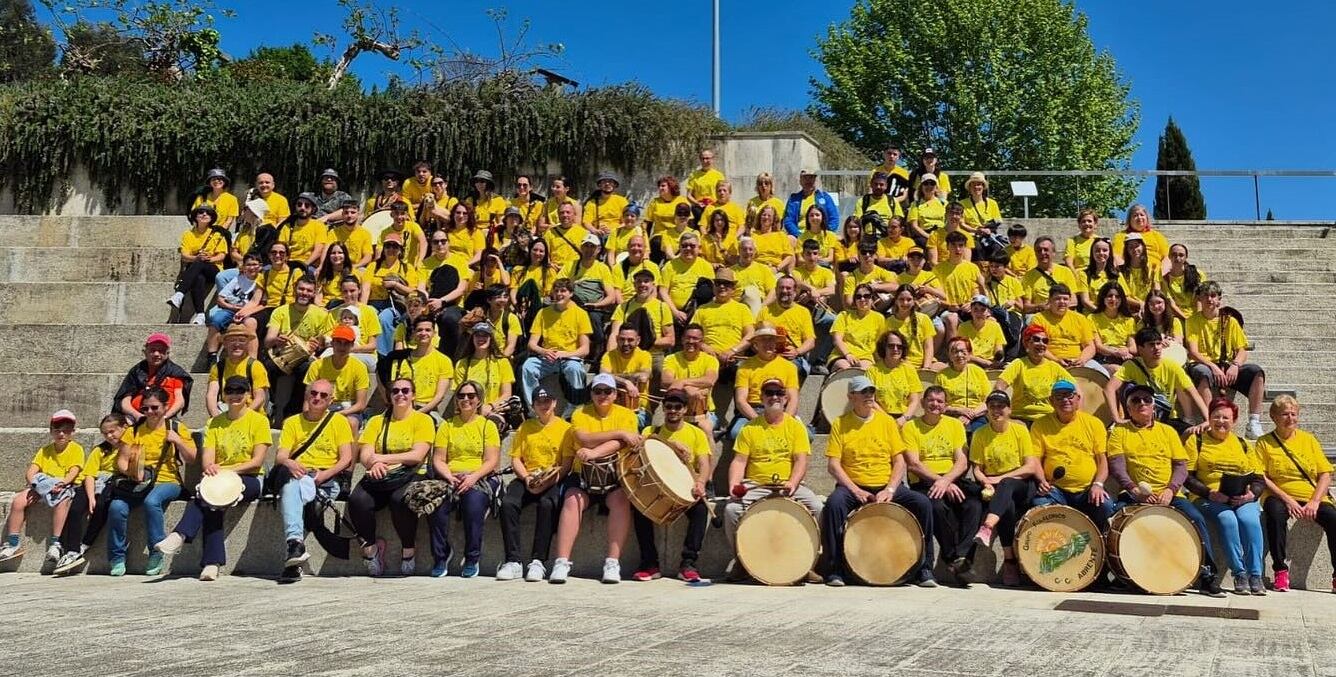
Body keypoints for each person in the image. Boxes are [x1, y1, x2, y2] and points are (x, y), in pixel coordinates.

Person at [821, 375, 937, 587]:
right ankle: (834, 569)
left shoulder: (886, 423)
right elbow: (834, 465)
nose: (868, 396)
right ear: (851, 396)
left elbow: (900, 462)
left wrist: (891, 489)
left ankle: (924, 569)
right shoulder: (840, 424)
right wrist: (856, 491)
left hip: (886, 484)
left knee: (923, 504)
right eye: (863, 392)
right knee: (833, 505)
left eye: (871, 392)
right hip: (853, 486)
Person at [1108, 383, 1221, 595]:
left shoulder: (1168, 431)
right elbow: (1117, 466)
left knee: (1196, 517)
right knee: (1110, 516)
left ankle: (1207, 574)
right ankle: (1115, 572)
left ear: (1153, 407)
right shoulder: (1119, 432)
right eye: (1136, 400)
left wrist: (1170, 490)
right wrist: (1134, 489)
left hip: (1171, 494)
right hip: (1134, 494)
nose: (1142, 403)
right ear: (1128, 408)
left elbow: (1180, 467)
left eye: (1147, 400)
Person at [153, 376, 268, 581]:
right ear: (224, 395)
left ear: (248, 394)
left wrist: (227, 470)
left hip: (250, 478)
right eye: (230, 390)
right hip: (220, 478)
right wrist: (214, 469)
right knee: (212, 500)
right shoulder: (214, 423)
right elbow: (207, 462)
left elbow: (256, 462)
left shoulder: (259, 421)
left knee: (213, 498)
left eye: (240, 391)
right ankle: (210, 562)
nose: (235, 395)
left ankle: (181, 536)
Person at [722, 378, 825, 580]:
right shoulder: (750, 429)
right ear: (761, 398)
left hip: (788, 483)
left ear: (786, 398)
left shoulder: (795, 427)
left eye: (778, 393)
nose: (774, 397)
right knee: (731, 510)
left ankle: (808, 563)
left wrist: (793, 483)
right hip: (756, 484)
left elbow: (801, 461)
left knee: (818, 507)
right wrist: (734, 485)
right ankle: (742, 562)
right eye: (769, 393)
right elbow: (739, 461)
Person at [550, 373, 640, 584]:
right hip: (583, 474)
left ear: (615, 394)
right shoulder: (580, 413)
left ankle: (612, 562)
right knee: (572, 499)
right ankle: (562, 562)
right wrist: (618, 433)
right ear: (591, 394)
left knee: (621, 501)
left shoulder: (628, 415)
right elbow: (584, 439)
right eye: (597, 391)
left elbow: (624, 444)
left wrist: (594, 453)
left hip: (615, 474)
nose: (602, 395)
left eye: (607, 391)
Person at [273, 378, 356, 583]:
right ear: (306, 395)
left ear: (331, 400)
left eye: (323, 395)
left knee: (292, 493)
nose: (317, 398)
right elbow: (281, 457)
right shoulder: (292, 422)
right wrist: (291, 464)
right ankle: (295, 545)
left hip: (326, 478)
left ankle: (294, 552)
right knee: (292, 486)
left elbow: (346, 459)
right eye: (313, 393)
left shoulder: (339, 422)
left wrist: (323, 476)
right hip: (298, 474)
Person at [106, 387, 196, 576]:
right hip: (138, 481)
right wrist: (131, 472)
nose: (149, 412)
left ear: (166, 407)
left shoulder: (176, 428)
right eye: (145, 408)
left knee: (152, 501)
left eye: (154, 408)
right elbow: (121, 461)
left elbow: (192, 458)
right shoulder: (135, 430)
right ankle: (116, 557)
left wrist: (178, 441)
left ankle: (156, 551)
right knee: (116, 507)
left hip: (168, 480)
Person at [350, 378, 433, 577]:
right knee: (357, 500)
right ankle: (370, 550)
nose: (400, 395)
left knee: (400, 500)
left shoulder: (423, 420)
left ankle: (408, 549)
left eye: (405, 390)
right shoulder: (376, 421)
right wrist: (375, 463)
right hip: (380, 475)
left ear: (413, 395)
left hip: (410, 474)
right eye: (395, 391)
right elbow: (365, 453)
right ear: (389, 396)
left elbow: (416, 456)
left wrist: (382, 458)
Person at [1184, 398, 1265, 596]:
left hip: (1241, 497)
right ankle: (1240, 573)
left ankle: (1256, 575)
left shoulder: (1243, 444)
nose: (1221, 421)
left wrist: (1251, 494)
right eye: (1216, 416)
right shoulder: (1197, 440)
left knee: (1250, 520)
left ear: (1235, 421)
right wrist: (1209, 493)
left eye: (1226, 417)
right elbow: (1187, 476)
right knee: (1227, 519)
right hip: (1209, 497)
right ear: (1209, 418)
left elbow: (1259, 478)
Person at [1256, 395, 1336, 594]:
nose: (1290, 418)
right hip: (1278, 493)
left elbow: (1325, 474)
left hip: (1311, 495)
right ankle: (1280, 570)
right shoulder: (1264, 443)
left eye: (1294, 414)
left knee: (1333, 518)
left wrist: (1315, 501)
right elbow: (1262, 477)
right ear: (1274, 417)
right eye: (1284, 414)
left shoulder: (1308, 440)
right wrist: (1288, 500)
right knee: (1275, 514)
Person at [631, 389, 713, 582]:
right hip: (656, 486)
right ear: (663, 408)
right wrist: (673, 445)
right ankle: (649, 564)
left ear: (685, 409)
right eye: (669, 406)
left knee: (701, 509)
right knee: (637, 507)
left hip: (686, 486)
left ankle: (688, 564)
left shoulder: (697, 433)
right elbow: (642, 449)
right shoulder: (650, 431)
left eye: (678, 406)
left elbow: (704, 464)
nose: (673, 410)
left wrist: (700, 482)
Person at [902, 386, 980, 583]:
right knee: (935, 506)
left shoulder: (955, 425)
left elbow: (962, 461)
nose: (935, 404)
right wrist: (939, 481)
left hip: (951, 479)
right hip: (925, 481)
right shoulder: (911, 427)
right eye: (931, 400)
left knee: (974, 505)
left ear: (945, 406)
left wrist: (946, 481)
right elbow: (913, 464)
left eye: (939, 401)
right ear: (922, 403)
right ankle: (953, 558)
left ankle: (960, 556)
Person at [427, 380, 501, 578]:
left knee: (473, 504)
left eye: (471, 396)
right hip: (450, 477)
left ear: (479, 400)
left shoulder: (487, 426)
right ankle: (440, 557)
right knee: (435, 505)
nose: (466, 399)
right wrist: (450, 477)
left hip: (480, 477)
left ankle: (472, 557)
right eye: (461, 396)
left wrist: (472, 478)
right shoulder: (447, 426)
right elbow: (439, 459)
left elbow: (492, 460)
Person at [497, 386, 569, 582]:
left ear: (554, 403)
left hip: (552, 478)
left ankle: (538, 561)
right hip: (527, 477)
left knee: (548, 504)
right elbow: (516, 459)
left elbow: (566, 464)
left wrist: (547, 482)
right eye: (539, 402)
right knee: (508, 504)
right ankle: (513, 561)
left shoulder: (565, 428)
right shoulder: (526, 427)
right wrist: (527, 479)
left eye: (547, 401)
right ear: (533, 405)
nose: (544, 405)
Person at [970, 390, 1041, 586]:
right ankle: (1010, 562)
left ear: (1009, 409)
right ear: (987, 411)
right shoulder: (980, 434)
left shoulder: (1020, 431)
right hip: (995, 486)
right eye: (992, 406)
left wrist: (998, 479)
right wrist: (985, 482)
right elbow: (977, 469)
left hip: (1022, 484)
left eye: (1001, 406)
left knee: (1007, 485)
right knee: (1006, 504)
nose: (996, 410)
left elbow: (1029, 467)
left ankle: (987, 526)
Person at [0, 410, 83, 566]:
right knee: (18, 501)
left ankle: (55, 543)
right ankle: (13, 543)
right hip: (43, 485)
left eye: (66, 430)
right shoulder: (45, 450)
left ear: (73, 432)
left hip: (63, 485)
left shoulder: (76, 449)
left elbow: (74, 470)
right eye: (57, 430)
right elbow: (31, 471)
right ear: (51, 431)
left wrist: (63, 483)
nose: (61, 434)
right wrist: (35, 485)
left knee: (62, 502)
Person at [1029, 380, 1115, 532]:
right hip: (1056, 490)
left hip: (1088, 490)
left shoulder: (1094, 423)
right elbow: (1035, 459)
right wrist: (1041, 481)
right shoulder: (1040, 425)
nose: (1065, 400)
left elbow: (1102, 460)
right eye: (1059, 396)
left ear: (1078, 399)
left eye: (1069, 395)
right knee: (1040, 504)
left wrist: (1098, 484)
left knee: (1106, 505)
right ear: (1051, 401)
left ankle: (1102, 545)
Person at [1185, 281, 1266, 439]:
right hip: (1204, 364)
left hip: (1228, 365)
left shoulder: (1230, 321)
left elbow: (1242, 350)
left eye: (1213, 296)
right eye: (1205, 296)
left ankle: (1254, 422)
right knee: (1203, 373)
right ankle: (1209, 419)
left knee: (1256, 372)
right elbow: (1193, 352)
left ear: (1219, 299)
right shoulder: (1192, 321)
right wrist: (1213, 366)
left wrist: (1235, 365)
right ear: (1199, 299)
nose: (1209, 299)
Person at [51, 414, 128, 575]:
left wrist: (96, 500)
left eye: (112, 432)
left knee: (101, 506)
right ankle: (71, 550)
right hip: (94, 482)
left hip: (114, 482)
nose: (109, 436)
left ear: (124, 428)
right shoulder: (100, 450)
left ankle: (84, 545)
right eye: (105, 433)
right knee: (75, 509)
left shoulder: (129, 447)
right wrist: (91, 496)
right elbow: (89, 475)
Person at [1106, 327, 1209, 433]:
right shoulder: (1131, 366)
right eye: (1151, 345)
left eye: (1159, 343)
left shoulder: (1172, 366)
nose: (1157, 348)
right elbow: (1109, 389)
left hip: (1167, 420)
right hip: (1141, 421)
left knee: (1192, 434)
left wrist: (1207, 419)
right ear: (1140, 349)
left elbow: (1193, 393)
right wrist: (1117, 419)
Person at [520, 277, 591, 413]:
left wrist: (565, 354)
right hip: (547, 358)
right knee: (528, 366)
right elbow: (532, 344)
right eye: (556, 290)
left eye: (563, 291)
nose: (559, 294)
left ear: (571, 293)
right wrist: (544, 351)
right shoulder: (543, 313)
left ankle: (573, 409)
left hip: (570, 357)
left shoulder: (581, 314)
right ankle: (534, 408)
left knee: (574, 369)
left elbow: (585, 349)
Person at [266, 276, 333, 417]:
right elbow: (268, 341)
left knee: (306, 368)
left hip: (306, 357)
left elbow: (325, 341)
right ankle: (272, 404)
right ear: (295, 289)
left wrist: (318, 345)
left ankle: (292, 410)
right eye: (301, 289)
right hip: (282, 353)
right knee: (269, 366)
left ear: (314, 293)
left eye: (309, 290)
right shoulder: (281, 311)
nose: (304, 293)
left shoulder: (321, 314)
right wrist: (277, 340)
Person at [730, 328, 801, 440]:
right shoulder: (745, 367)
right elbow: (740, 400)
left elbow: (793, 399)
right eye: (763, 340)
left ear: (776, 343)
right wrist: (758, 421)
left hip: (780, 409)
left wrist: (785, 420)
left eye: (771, 340)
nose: (768, 344)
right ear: (755, 345)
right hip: (752, 410)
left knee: (806, 435)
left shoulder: (789, 367)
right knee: (736, 433)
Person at [994, 324, 1072, 424]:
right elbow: (999, 386)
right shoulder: (1019, 364)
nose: (1041, 344)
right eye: (1036, 339)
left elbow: (1076, 391)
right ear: (1026, 343)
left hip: (1047, 418)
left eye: (1045, 341)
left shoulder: (1054, 367)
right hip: (1021, 417)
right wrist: (1003, 410)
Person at [379, 317, 454, 417]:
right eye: (419, 330)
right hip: (400, 406)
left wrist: (416, 414)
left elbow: (439, 396)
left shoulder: (444, 361)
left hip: (427, 409)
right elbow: (391, 386)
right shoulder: (401, 358)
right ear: (414, 333)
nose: (423, 333)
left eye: (427, 330)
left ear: (434, 333)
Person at [361, 234, 422, 356]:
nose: (391, 249)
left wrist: (395, 285)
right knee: (367, 315)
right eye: (388, 246)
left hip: (396, 304)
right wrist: (362, 308)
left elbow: (413, 291)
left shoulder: (406, 268)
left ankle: (385, 356)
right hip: (374, 302)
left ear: (400, 250)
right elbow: (366, 288)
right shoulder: (374, 266)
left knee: (384, 318)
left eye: (395, 246)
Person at [694, 268, 756, 385]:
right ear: (713, 287)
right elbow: (692, 335)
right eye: (718, 283)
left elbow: (751, 334)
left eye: (726, 283)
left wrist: (732, 351)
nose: (722, 286)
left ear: (733, 288)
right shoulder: (702, 309)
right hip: (707, 357)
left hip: (735, 358)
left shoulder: (742, 309)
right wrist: (705, 347)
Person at [113, 332, 193, 422]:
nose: (156, 354)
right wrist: (138, 416)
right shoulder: (136, 371)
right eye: (152, 350)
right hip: (136, 416)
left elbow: (180, 401)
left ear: (167, 353)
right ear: (145, 352)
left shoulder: (175, 373)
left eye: (161, 350)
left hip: (165, 416)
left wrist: (165, 417)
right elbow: (125, 400)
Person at [169, 204, 228, 324]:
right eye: (201, 212)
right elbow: (184, 256)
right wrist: (196, 257)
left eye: (208, 213)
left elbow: (222, 255)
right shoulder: (188, 234)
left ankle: (180, 293)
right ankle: (201, 314)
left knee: (200, 261)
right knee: (199, 278)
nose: (204, 215)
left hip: (214, 268)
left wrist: (207, 259)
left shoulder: (217, 234)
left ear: (212, 218)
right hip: (197, 268)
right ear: (195, 217)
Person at [607, 268, 675, 373]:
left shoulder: (662, 307)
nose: (642, 284)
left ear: (653, 285)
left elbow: (670, 340)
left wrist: (647, 341)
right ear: (634, 285)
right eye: (639, 281)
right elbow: (614, 334)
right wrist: (610, 357)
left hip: (653, 353)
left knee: (660, 368)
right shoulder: (623, 307)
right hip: (627, 352)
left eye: (646, 281)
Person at [661, 324, 720, 440]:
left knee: (706, 429)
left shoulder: (710, 360)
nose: (691, 341)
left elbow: (710, 380)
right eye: (688, 338)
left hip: (704, 413)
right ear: (682, 339)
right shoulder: (671, 359)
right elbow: (666, 380)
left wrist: (682, 382)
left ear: (702, 341)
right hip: (676, 410)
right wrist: (687, 390)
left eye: (695, 338)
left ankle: (709, 458)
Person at [1029, 283, 1103, 375]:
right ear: (1049, 300)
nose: (1062, 302)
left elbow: (1090, 346)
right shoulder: (1038, 319)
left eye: (1065, 299)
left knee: (1102, 373)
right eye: (1057, 299)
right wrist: (1056, 360)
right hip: (1050, 360)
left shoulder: (1080, 318)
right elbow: (1036, 346)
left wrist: (1081, 360)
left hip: (1078, 360)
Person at [757, 275, 817, 378]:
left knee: (787, 368)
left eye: (788, 288)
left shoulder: (803, 312)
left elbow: (810, 341)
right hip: (767, 355)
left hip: (791, 357)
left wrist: (797, 352)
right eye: (781, 287)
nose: (784, 291)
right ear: (776, 290)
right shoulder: (764, 311)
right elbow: (755, 338)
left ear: (795, 292)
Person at [205, 253, 263, 358]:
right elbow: (220, 299)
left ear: (260, 266)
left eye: (255, 264)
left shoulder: (262, 280)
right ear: (244, 267)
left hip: (250, 311)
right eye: (248, 265)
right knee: (216, 320)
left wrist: (243, 311)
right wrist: (233, 307)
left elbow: (261, 303)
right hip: (232, 309)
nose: (252, 268)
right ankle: (212, 355)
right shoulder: (238, 279)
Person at [790, 239, 838, 369]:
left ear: (819, 254)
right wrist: (812, 290)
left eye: (815, 253)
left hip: (819, 312)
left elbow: (831, 290)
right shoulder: (796, 271)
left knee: (837, 322)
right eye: (808, 254)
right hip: (800, 310)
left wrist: (816, 293)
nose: (812, 257)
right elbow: (798, 283)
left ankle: (821, 359)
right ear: (803, 255)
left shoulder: (826, 272)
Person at [932, 231, 986, 343]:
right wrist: (949, 305)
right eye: (954, 245)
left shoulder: (972, 268)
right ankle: (953, 352)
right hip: (946, 308)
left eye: (961, 245)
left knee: (990, 318)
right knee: (952, 318)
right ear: (947, 247)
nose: (957, 249)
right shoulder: (938, 269)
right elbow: (936, 295)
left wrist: (971, 303)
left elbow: (976, 290)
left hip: (968, 307)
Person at [205, 324, 268, 417]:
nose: (237, 344)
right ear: (225, 344)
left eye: (242, 341)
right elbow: (211, 395)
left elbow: (260, 397)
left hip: (251, 414)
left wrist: (241, 416)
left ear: (247, 344)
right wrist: (216, 417)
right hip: (227, 411)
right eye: (232, 340)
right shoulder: (218, 367)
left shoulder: (255, 366)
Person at [658, 232, 715, 333]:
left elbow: (711, 293)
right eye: (684, 246)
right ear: (679, 247)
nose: (688, 248)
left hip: (697, 313)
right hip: (673, 313)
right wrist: (675, 312)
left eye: (692, 246)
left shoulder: (706, 266)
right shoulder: (669, 266)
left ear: (699, 248)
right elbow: (663, 292)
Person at [601, 325, 654, 429]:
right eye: (622, 339)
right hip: (613, 407)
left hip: (639, 409)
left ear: (638, 340)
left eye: (630, 340)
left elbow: (644, 377)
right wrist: (627, 382)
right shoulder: (609, 356)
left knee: (636, 422)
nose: (625, 343)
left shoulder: (644, 355)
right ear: (616, 339)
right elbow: (603, 375)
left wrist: (615, 378)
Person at [935, 337, 991, 434]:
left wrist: (969, 414)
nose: (959, 355)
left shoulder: (978, 372)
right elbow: (939, 404)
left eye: (962, 351)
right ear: (949, 355)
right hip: (952, 416)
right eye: (954, 352)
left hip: (977, 415)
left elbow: (988, 401)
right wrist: (960, 411)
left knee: (980, 433)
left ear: (969, 354)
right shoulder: (942, 376)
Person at [868, 331, 923, 423]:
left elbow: (914, 400)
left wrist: (904, 418)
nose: (895, 349)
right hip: (880, 418)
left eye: (899, 346)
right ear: (883, 348)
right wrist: (887, 419)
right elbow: (870, 399)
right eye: (891, 346)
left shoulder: (909, 369)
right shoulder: (872, 370)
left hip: (904, 419)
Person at [830, 282, 885, 371]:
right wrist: (848, 354)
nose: (862, 299)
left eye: (866, 296)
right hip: (842, 355)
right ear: (855, 300)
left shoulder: (879, 318)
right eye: (858, 297)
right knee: (845, 370)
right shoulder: (844, 315)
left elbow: (879, 344)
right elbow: (837, 340)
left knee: (865, 372)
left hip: (865, 357)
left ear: (872, 298)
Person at [1019, 237, 1081, 313]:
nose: (1042, 253)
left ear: (1054, 252)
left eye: (1046, 250)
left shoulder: (1066, 271)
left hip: (1064, 312)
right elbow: (1026, 307)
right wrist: (1041, 306)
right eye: (1039, 250)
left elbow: (1074, 302)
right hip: (1041, 314)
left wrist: (1055, 308)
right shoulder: (1028, 276)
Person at [886, 285, 939, 370]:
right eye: (901, 299)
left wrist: (926, 367)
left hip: (924, 363)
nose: (905, 303)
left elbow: (928, 346)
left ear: (914, 301)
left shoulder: (924, 319)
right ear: (896, 301)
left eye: (909, 299)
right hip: (901, 365)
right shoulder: (889, 322)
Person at [277, 193, 329, 271]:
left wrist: (304, 265)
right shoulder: (287, 227)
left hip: (309, 265)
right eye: (299, 204)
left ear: (313, 209)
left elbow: (318, 251)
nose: (302, 208)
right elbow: (280, 248)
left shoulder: (319, 226)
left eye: (307, 205)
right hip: (287, 263)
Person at [1112, 204, 1170, 273]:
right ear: (1129, 220)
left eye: (1142, 215)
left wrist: (1160, 274)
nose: (1139, 218)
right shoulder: (1121, 236)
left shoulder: (1157, 235)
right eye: (1135, 216)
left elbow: (1167, 257)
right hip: (1131, 274)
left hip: (1155, 273)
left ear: (1147, 218)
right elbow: (1116, 256)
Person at [782, 169, 839, 236]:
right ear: (800, 181)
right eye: (805, 178)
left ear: (816, 180)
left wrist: (825, 233)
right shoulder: (794, 199)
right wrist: (799, 235)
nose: (808, 181)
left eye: (811, 177)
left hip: (821, 235)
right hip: (800, 235)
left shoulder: (825, 197)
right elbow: (788, 221)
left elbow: (834, 219)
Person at [840, 242, 898, 308]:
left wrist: (872, 287)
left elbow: (896, 287)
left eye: (871, 252)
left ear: (876, 255)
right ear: (858, 256)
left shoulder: (882, 272)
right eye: (863, 252)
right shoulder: (851, 277)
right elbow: (848, 303)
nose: (867, 255)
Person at [1091, 282, 1136, 367]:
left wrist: (1125, 350)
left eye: (1117, 297)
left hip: (1125, 356)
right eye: (1109, 296)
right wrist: (1116, 352)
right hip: (1103, 358)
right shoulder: (1092, 318)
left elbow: (1133, 347)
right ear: (1103, 298)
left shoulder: (1129, 320)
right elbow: (1098, 346)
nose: (1113, 299)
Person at [958, 295, 1006, 367]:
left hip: (990, 362)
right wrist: (984, 362)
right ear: (971, 311)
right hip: (971, 362)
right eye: (975, 309)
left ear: (988, 312)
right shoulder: (963, 327)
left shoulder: (995, 326)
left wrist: (998, 355)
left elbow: (999, 348)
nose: (979, 313)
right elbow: (964, 352)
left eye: (983, 309)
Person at [324, 200, 375, 267]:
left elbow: (368, 256)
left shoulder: (365, 233)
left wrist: (355, 266)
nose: (349, 215)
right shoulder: (333, 232)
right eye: (346, 213)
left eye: (353, 212)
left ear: (358, 214)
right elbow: (325, 252)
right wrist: (321, 266)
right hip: (336, 267)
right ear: (342, 214)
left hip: (357, 267)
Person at [609, 235, 660, 300]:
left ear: (645, 248)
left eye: (639, 246)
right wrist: (625, 308)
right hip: (625, 305)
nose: (636, 248)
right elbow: (617, 293)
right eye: (633, 245)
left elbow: (654, 291)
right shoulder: (618, 268)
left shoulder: (652, 267)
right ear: (627, 247)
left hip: (646, 304)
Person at [1162, 243, 1206, 320]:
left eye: (1181, 255)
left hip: (1198, 314)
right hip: (1178, 316)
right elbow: (1171, 304)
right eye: (1174, 254)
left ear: (1186, 257)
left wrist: (1198, 318)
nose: (1177, 258)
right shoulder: (1165, 279)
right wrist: (1186, 319)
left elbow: (1200, 298)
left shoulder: (1197, 274)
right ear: (1169, 256)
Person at [379, 201, 429, 267]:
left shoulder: (414, 227)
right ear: (391, 214)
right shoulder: (385, 232)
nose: (399, 217)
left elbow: (423, 242)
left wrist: (420, 260)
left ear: (407, 215)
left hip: (412, 267)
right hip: (392, 267)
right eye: (396, 213)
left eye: (402, 214)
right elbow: (379, 252)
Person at [583, 171, 629, 241]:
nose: (607, 184)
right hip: (598, 236)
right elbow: (586, 222)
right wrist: (595, 231)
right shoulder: (591, 203)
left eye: (610, 181)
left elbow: (626, 221)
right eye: (604, 181)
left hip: (618, 234)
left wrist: (614, 230)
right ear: (599, 185)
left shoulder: (622, 201)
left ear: (614, 185)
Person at [1117, 235, 1156, 314]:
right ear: (1126, 250)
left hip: (1150, 309)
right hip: (1128, 310)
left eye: (1137, 246)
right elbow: (1124, 296)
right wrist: (1142, 304)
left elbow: (1156, 290)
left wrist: (1148, 306)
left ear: (1143, 247)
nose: (1134, 249)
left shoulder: (1153, 267)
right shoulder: (1120, 270)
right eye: (1130, 247)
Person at [732, 237, 777, 306]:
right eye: (744, 249)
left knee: (751, 291)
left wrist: (762, 307)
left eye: (750, 249)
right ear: (739, 251)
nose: (748, 252)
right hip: (737, 306)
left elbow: (772, 291)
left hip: (759, 304)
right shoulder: (730, 271)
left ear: (755, 251)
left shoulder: (763, 269)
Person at [546, 202, 590, 270]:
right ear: (558, 215)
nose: (565, 215)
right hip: (555, 270)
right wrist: (550, 264)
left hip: (575, 270)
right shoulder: (550, 233)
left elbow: (588, 255)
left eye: (568, 212)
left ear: (574, 215)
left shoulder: (583, 233)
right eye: (562, 212)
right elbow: (545, 254)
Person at [1076, 238, 1117, 312]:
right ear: (1092, 253)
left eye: (1105, 250)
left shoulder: (1116, 274)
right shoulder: (1084, 274)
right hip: (1093, 314)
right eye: (1097, 251)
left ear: (1110, 252)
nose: (1101, 253)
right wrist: (1101, 314)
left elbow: (1123, 297)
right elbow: (1085, 301)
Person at [751, 205, 796, 271]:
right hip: (757, 269)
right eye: (764, 215)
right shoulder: (753, 235)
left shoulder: (781, 235)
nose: (766, 217)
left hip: (776, 269)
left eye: (769, 216)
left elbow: (788, 256)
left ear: (774, 219)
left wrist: (777, 268)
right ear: (760, 217)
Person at [442, 201, 486, 266]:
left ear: (469, 215)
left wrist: (466, 265)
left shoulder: (476, 233)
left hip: (467, 266)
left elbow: (480, 254)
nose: (461, 216)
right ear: (453, 214)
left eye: (465, 213)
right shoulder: (446, 232)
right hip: (446, 266)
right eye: (458, 212)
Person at [906, 174, 947, 244]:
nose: (929, 186)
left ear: (936, 187)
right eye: (926, 183)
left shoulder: (944, 203)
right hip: (924, 235)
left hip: (942, 234)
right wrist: (929, 237)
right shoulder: (915, 204)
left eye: (932, 183)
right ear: (921, 187)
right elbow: (914, 226)